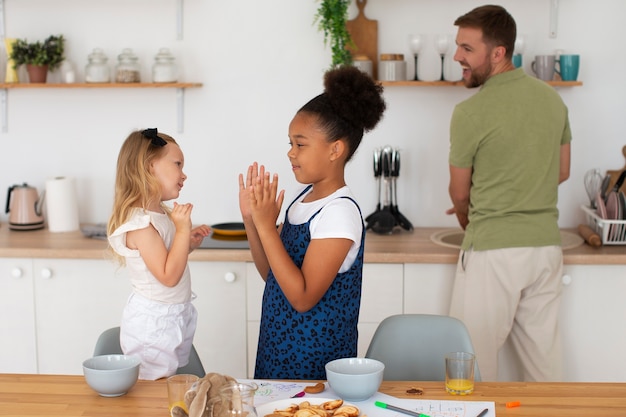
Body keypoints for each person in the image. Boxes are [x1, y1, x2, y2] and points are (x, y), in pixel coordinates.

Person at [446, 5, 571, 382]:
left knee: (469, 369)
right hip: (545, 251)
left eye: (467, 48)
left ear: (497, 52)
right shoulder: (553, 100)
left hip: (492, 254)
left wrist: (469, 214)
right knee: (544, 370)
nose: (457, 57)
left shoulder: (470, 112)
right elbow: (561, 173)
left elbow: (459, 192)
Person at [238, 66, 386, 379]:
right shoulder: (301, 199)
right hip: (277, 352)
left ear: (335, 149)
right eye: (290, 143)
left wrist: (267, 228)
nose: (291, 153)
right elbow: (273, 275)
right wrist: (252, 222)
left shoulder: (339, 214)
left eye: (300, 144)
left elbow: (303, 298)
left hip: (314, 366)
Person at [107, 128, 210, 380]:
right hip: (153, 324)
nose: (184, 174)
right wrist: (183, 231)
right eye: (177, 164)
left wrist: (187, 243)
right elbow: (168, 276)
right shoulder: (141, 225)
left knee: (163, 382)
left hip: (170, 316)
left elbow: (166, 258)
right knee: (152, 390)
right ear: (149, 166)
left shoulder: (159, 216)